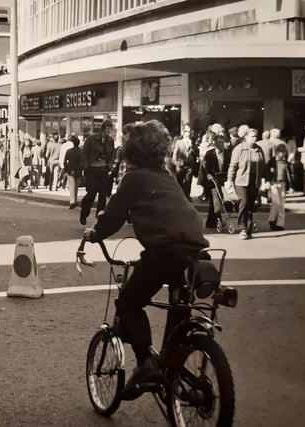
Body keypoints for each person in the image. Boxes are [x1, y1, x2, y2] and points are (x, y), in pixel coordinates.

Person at [83, 120, 209, 399]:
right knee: (180, 313)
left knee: (128, 302)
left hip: (165, 252)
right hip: (199, 253)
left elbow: (112, 218)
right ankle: (172, 372)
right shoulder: (166, 175)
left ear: (130, 150)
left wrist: (94, 235)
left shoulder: (134, 178)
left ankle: (146, 364)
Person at [226, 128, 268, 240]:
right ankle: (242, 228)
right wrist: (229, 180)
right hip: (241, 180)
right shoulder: (239, 149)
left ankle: (248, 229)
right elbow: (233, 166)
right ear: (246, 137)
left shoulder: (259, 150)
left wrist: (263, 181)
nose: (254, 139)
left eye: (255, 137)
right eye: (251, 137)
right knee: (243, 202)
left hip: (254, 180)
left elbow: (263, 166)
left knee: (250, 205)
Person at [79, 119, 116, 225]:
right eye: (107, 128)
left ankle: (99, 219)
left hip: (103, 169)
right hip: (92, 169)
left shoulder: (110, 141)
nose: (109, 131)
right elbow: (85, 154)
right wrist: (85, 167)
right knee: (92, 192)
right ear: (103, 128)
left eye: (110, 129)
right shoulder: (91, 139)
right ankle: (84, 212)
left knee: (103, 195)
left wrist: (109, 166)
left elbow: (111, 155)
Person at [199, 131, 225, 229]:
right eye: (219, 142)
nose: (221, 144)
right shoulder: (210, 154)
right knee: (215, 199)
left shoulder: (227, 154)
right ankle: (218, 219)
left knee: (216, 201)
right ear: (214, 143)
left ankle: (211, 221)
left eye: (222, 142)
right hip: (212, 181)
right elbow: (205, 166)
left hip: (222, 180)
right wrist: (208, 174)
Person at [268, 143, 291, 231]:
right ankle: (272, 219)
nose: (281, 154)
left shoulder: (285, 162)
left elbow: (288, 175)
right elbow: (267, 172)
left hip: (283, 183)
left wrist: (291, 186)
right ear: (277, 152)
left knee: (281, 204)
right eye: (280, 152)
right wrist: (268, 180)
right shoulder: (272, 161)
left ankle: (280, 223)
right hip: (274, 183)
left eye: (283, 153)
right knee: (276, 203)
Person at [171, 126, 197, 200]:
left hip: (189, 165)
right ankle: (180, 197)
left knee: (188, 182)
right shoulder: (179, 142)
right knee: (180, 182)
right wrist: (177, 163)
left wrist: (192, 146)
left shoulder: (192, 142)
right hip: (181, 165)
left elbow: (195, 153)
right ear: (183, 132)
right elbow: (174, 155)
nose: (187, 133)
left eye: (189, 131)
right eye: (186, 131)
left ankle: (187, 197)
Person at [63, 135, 82, 209]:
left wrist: (66, 169)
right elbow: (82, 161)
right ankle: (75, 200)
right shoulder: (81, 151)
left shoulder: (69, 151)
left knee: (71, 186)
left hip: (70, 170)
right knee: (76, 186)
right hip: (78, 170)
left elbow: (65, 161)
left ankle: (72, 201)